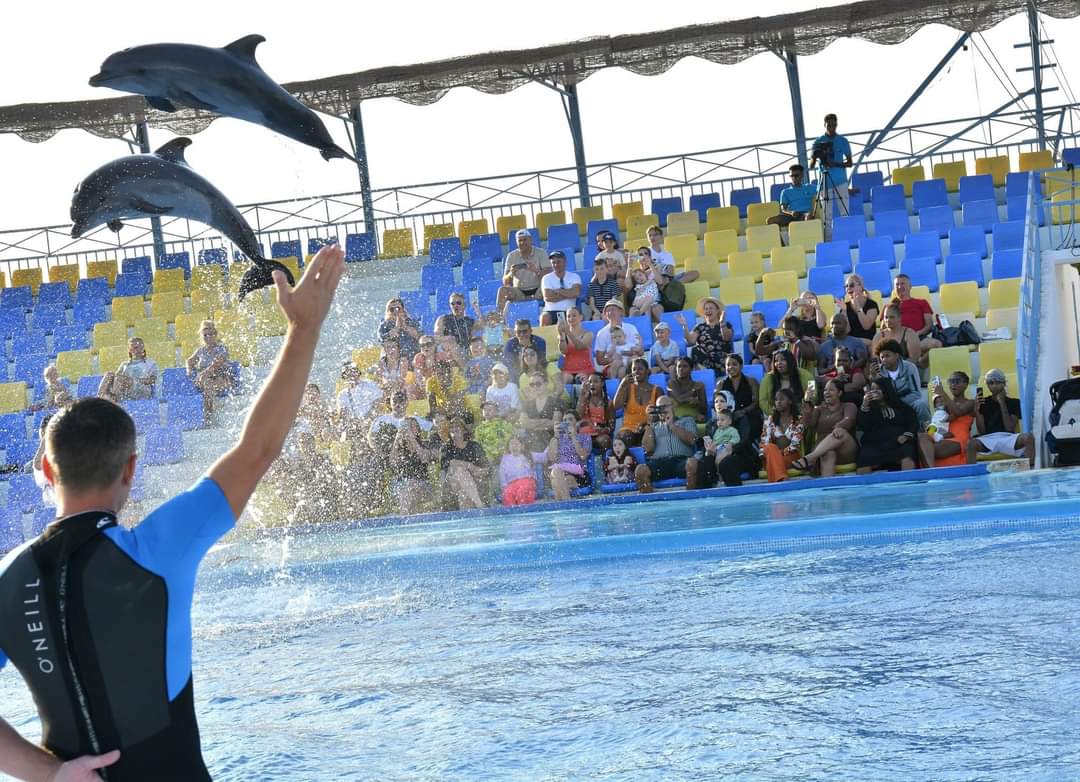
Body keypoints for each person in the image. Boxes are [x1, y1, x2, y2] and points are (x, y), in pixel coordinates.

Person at [0, 244, 344, 782]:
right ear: (131, 469)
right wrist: (303, 329)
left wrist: (49, 775)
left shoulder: (7, 576)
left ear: (44, 467)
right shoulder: (159, 548)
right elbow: (257, 450)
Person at [686, 393, 762, 489]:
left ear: (730, 402)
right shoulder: (711, 424)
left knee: (726, 463)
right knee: (704, 464)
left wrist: (729, 449)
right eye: (716, 402)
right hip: (717, 453)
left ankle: (736, 495)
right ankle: (707, 498)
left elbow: (744, 441)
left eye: (722, 401)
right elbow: (710, 442)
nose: (718, 404)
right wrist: (708, 449)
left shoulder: (740, 418)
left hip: (740, 454)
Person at [793, 378, 858, 476]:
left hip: (845, 449)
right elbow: (809, 425)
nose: (827, 392)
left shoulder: (848, 406)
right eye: (825, 390)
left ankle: (810, 458)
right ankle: (828, 485)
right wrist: (807, 404)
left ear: (840, 393)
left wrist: (839, 426)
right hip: (823, 450)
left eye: (831, 390)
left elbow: (849, 419)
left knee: (841, 432)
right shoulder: (819, 409)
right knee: (828, 452)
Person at [969, 369, 1035, 466]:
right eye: (991, 383)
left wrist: (1002, 403)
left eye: (998, 382)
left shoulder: (1014, 402)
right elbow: (982, 431)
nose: (994, 385)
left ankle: (1029, 469)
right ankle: (972, 475)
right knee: (971, 444)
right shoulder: (983, 403)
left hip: (1008, 437)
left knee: (1029, 438)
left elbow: (1009, 428)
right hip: (989, 438)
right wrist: (977, 411)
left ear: (1004, 383)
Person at [856, 376, 919, 473]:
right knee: (864, 460)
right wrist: (865, 405)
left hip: (898, 443)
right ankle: (865, 487)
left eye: (878, 389)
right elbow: (863, 426)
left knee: (907, 454)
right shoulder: (868, 408)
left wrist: (906, 436)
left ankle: (908, 485)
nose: (875, 392)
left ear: (886, 389)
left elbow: (913, 423)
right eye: (873, 389)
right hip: (875, 444)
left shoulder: (900, 406)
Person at [634, 395, 696, 492]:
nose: (661, 410)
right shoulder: (653, 427)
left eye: (664, 407)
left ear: (673, 407)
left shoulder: (686, 420)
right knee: (640, 470)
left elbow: (692, 440)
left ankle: (692, 498)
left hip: (681, 460)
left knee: (692, 463)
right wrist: (649, 423)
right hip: (660, 462)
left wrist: (672, 425)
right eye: (658, 408)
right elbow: (648, 449)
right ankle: (652, 503)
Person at [808, 112, 853, 237]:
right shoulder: (818, 141)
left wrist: (836, 164)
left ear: (837, 124)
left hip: (840, 181)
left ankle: (848, 238)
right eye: (829, 126)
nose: (832, 128)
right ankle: (828, 242)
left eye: (834, 125)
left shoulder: (843, 141)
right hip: (824, 183)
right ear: (825, 125)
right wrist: (814, 156)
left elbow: (849, 163)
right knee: (827, 216)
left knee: (845, 213)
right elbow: (811, 165)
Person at [873, 339, 931, 426]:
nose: (884, 360)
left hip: (908, 402)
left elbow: (916, 393)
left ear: (897, 355)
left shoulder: (910, 367)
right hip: (889, 405)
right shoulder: (878, 372)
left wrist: (899, 403)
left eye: (887, 356)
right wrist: (873, 378)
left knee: (920, 404)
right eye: (882, 357)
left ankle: (927, 429)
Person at [389, 416, 437, 516]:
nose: (409, 429)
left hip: (422, 485)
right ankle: (409, 519)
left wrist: (413, 440)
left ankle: (403, 521)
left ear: (418, 429)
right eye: (407, 427)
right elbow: (392, 462)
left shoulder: (424, 444)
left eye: (413, 426)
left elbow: (424, 458)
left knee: (409, 487)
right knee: (407, 491)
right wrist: (397, 439)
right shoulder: (399, 448)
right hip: (401, 485)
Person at [497, 229, 550, 315]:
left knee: (551, 287)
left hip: (539, 290)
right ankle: (499, 320)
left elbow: (549, 276)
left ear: (531, 240)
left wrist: (536, 270)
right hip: (519, 292)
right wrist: (511, 273)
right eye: (520, 240)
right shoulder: (511, 256)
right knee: (502, 290)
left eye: (525, 239)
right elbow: (505, 282)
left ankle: (553, 314)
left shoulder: (541, 252)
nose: (522, 243)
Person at [928, 371, 976, 466]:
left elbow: (957, 412)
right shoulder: (944, 404)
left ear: (966, 384)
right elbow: (938, 421)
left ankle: (930, 471)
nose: (953, 384)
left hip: (959, 439)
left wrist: (942, 393)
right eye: (951, 381)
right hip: (944, 436)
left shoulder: (971, 402)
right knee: (921, 438)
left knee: (932, 449)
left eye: (957, 381)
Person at [890, 273, 941, 364]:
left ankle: (919, 364)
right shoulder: (890, 307)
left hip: (918, 338)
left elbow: (929, 325)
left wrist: (916, 334)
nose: (899, 286)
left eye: (902, 283)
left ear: (910, 286)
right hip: (898, 341)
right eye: (897, 284)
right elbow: (884, 327)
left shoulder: (921, 303)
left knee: (936, 344)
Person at [185, 320, 232, 417]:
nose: (208, 337)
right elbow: (189, 361)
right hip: (205, 379)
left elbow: (217, 363)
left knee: (208, 385)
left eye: (210, 334)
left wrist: (204, 373)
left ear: (215, 334)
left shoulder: (222, 348)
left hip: (222, 377)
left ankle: (208, 416)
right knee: (207, 384)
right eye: (205, 335)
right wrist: (189, 370)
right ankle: (209, 415)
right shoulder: (201, 350)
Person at [440, 416, 488, 509]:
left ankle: (469, 520)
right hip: (452, 482)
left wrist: (477, 470)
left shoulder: (474, 446)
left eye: (457, 426)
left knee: (464, 495)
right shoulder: (446, 448)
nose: (454, 429)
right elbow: (448, 464)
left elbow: (485, 467)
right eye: (451, 427)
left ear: (464, 430)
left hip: (472, 481)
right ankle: (480, 505)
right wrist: (469, 465)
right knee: (460, 471)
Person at [675, 297, 733, 372]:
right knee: (695, 350)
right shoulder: (700, 327)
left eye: (711, 308)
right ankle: (705, 373)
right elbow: (691, 341)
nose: (708, 311)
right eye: (706, 309)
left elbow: (727, 338)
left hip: (721, 357)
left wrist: (722, 324)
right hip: (705, 359)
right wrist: (684, 326)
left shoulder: (726, 324)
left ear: (717, 310)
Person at [760, 387, 805, 482]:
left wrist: (779, 453)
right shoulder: (770, 420)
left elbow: (795, 445)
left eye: (781, 399)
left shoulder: (799, 420)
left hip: (791, 457)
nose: (778, 402)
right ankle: (783, 480)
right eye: (776, 400)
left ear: (790, 401)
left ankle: (778, 482)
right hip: (772, 456)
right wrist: (775, 452)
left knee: (774, 459)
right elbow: (764, 443)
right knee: (770, 447)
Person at [613, 358, 661, 446]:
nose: (636, 371)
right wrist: (622, 385)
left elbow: (661, 414)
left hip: (649, 428)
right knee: (626, 437)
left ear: (647, 371)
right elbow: (616, 406)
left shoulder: (657, 390)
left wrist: (646, 425)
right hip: (629, 429)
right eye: (634, 369)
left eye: (640, 369)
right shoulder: (627, 388)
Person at [547, 410, 593, 500]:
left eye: (570, 419)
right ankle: (567, 503)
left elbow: (583, 456)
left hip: (578, 475)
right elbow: (552, 458)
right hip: (561, 473)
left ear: (577, 422)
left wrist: (573, 437)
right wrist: (556, 436)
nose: (567, 422)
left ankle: (562, 507)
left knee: (557, 481)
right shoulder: (556, 439)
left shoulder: (585, 437)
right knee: (558, 476)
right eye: (564, 420)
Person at [97, 337, 158, 403]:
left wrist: (135, 381)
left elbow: (153, 380)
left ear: (143, 348)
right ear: (130, 350)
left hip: (141, 389)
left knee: (120, 378)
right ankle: (101, 398)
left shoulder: (150, 363)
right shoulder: (125, 364)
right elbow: (116, 378)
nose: (137, 350)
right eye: (134, 348)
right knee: (109, 374)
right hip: (125, 389)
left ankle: (116, 400)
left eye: (140, 347)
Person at [721, 353, 763, 444]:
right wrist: (728, 415)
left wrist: (743, 411)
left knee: (746, 422)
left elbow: (756, 402)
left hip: (749, 414)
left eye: (734, 364)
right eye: (728, 365)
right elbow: (717, 403)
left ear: (741, 366)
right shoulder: (721, 384)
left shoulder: (751, 381)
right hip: (729, 416)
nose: (731, 367)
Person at [758, 349, 812, 417]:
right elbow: (763, 401)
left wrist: (801, 410)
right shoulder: (767, 378)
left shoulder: (807, 375)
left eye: (783, 359)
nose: (779, 363)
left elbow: (813, 394)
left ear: (790, 361)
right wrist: (775, 414)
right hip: (776, 415)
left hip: (800, 414)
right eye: (776, 361)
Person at [594, 299, 643, 367]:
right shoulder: (601, 333)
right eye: (608, 310)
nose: (610, 312)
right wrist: (611, 359)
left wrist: (624, 353)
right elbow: (599, 360)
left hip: (631, 364)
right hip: (613, 365)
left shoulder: (631, 328)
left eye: (613, 309)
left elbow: (641, 352)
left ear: (621, 311)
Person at [539, 250, 582, 326]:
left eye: (559, 262)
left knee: (576, 316)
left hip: (569, 310)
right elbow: (548, 297)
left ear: (565, 262)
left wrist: (558, 291)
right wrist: (568, 294)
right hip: (551, 311)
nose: (556, 264)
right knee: (544, 317)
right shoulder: (546, 278)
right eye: (553, 262)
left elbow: (576, 293)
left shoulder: (574, 276)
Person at [768, 163, 817, 230]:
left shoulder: (810, 187)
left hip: (805, 214)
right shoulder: (785, 191)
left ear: (802, 175)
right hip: (791, 215)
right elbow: (783, 208)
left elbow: (823, 188)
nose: (794, 178)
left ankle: (808, 238)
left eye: (796, 175)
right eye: (792, 176)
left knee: (808, 217)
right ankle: (780, 241)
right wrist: (791, 212)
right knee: (770, 220)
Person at [576, 372, 614, 453]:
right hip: (584, 433)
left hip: (599, 435)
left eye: (595, 381)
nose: (592, 384)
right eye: (590, 382)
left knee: (605, 441)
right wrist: (583, 397)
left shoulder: (608, 403)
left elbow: (611, 426)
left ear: (602, 384)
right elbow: (578, 416)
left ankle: (602, 463)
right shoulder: (584, 398)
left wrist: (605, 430)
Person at [557, 306, 595, 385]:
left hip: (585, 369)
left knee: (581, 379)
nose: (571, 318)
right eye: (568, 316)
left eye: (574, 315)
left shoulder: (588, 334)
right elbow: (564, 351)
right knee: (564, 380)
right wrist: (561, 335)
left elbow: (580, 347)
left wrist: (568, 333)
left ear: (581, 317)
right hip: (568, 370)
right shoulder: (564, 335)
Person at [378, 297, 422, 361]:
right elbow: (381, 339)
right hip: (392, 360)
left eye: (398, 308)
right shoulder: (384, 325)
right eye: (392, 309)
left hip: (411, 357)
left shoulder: (411, 322)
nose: (396, 311)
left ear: (403, 309)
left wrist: (405, 327)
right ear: (388, 311)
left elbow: (420, 337)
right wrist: (396, 328)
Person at [666, 356, 708, 422]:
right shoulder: (672, 383)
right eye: (679, 366)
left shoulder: (699, 385)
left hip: (694, 417)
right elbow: (680, 399)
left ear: (691, 369)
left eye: (685, 366)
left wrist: (697, 403)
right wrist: (692, 391)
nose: (681, 369)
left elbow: (704, 409)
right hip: (677, 418)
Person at [499, 435, 536, 507]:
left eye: (516, 444)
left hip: (527, 480)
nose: (514, 446)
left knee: (522, 492)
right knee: (507, 494)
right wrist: (504, 485)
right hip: (512, 483)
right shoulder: (505, 458)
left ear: (522, 446)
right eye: (512, 444)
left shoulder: (527, 456)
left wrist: (549, 448)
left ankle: (524, 510)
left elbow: (543, 457)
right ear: (508, 447)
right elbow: (502, 473)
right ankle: (513, 513)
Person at [843, 273, 879, 345]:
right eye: (846, 286)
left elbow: (866, 326)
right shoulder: (845, 306)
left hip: (868, 342)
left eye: (851, 285)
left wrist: (858, 308)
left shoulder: (871, 305)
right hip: (851, 343)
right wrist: (844, 312)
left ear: (860, 287)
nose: (848, 288)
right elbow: (846, 331)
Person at [586, 254, 622, 320]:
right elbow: (592, 304)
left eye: (602, 269)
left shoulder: (613, 283)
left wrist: (605, 312)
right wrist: (598, 312)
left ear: (606, 269)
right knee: (596, 318)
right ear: (594, 271)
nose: (599, 272)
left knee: (608, 317)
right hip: (597, 312)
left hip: (610, 310)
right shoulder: (591, 285)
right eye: (597, 269)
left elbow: (614, 300)